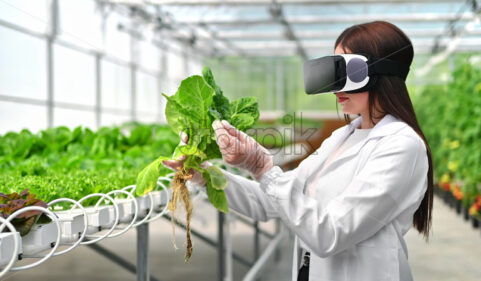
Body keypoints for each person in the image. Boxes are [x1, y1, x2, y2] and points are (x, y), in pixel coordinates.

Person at [164, 21, 434, 281]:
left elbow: (330, 233)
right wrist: (202, 174)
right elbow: (269, 200)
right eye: (334, 69)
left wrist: (263, 167)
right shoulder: (342, 137)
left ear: (379, 74)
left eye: (345, 70)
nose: (335, 86)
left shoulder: (401, 146)